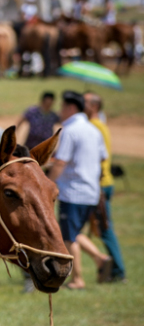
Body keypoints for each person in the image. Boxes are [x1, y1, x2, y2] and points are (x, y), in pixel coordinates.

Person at [48, 91, 108, 290]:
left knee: (68, 237)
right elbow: (102, 158)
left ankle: (77, 279)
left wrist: (47, 185)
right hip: (91, 191)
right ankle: (100, 258)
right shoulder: (94, 130)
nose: (60, 111)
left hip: (72, 191)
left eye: (62, 107)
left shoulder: (69, 130)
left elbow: (60, 162)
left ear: (71, 108)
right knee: (74, 231)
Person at [79, 92, 125, 282]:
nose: (82, 104)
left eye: (85, 102)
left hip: (99, 186)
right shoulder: (98, 126)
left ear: (95, 107)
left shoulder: (94, 127)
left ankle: (117, 271)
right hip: (100, 185)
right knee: (76, 232)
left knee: (104, 230)